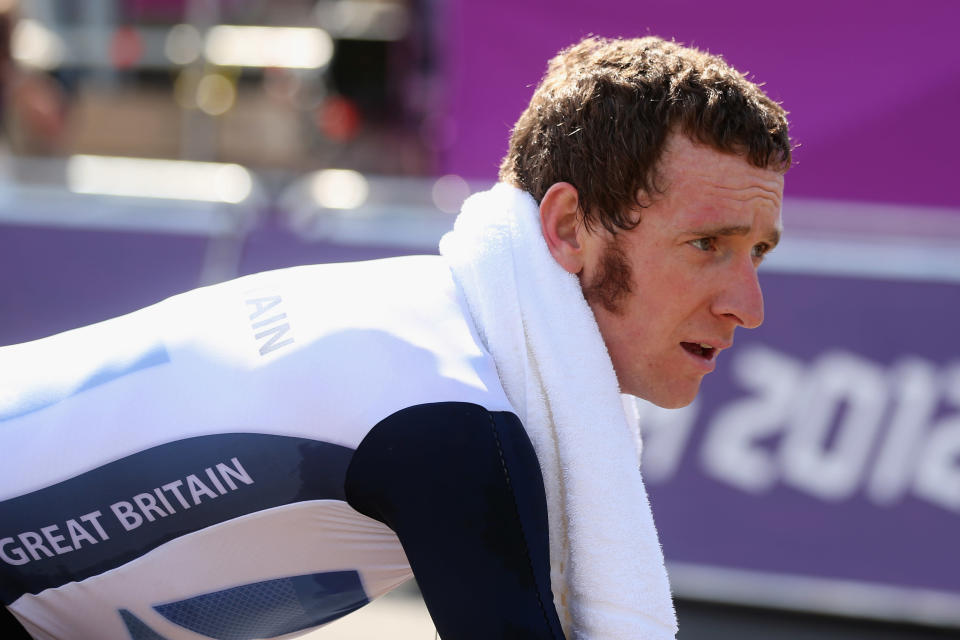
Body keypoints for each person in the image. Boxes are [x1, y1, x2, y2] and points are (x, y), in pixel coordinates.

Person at [0, 36, 790, 640]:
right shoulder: (455, 413)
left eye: (756, 253)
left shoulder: (443, 325)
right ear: (567, 227)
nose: (747, 305)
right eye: (706, 247)